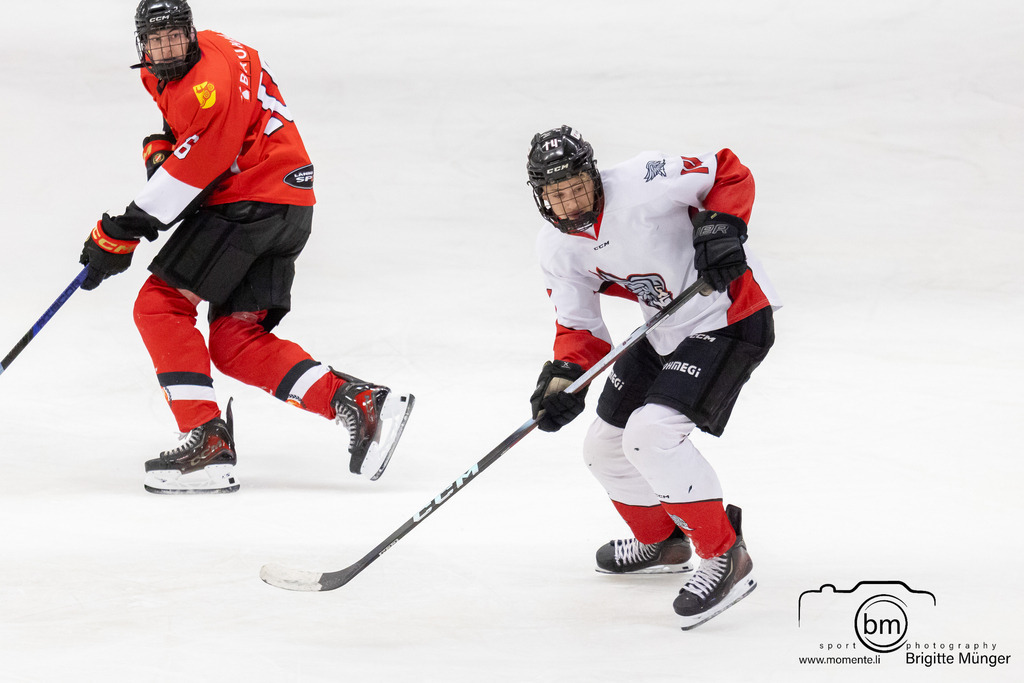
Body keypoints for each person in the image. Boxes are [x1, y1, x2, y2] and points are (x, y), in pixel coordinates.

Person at [78, 0, 414, 494]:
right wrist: (169, 145)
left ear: (190, 35)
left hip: (250, 203)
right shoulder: (202, 53)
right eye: (156, 40)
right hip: (290, 204)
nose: (167, 47)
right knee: (236, 342)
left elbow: (195, 172)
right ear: (142, 45)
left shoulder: (206, 86)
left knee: (160, 306)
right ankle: (354, 400)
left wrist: (119, 233)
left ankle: (206, 439)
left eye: (175, 36)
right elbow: (202, 145)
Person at [526, 125, 780, 630]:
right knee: (604, 446)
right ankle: (664, 541)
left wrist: (722, 228)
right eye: (557, 194)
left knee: (650, 435)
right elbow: (579, 328)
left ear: (593, 177)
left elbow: (727, 169)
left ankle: (727, 555)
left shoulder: (647, 177)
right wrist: (563, 382)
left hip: (730, 317)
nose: (571, 201)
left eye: (577, 186)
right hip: (664, 328)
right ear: (540, 197)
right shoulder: (556, 248)